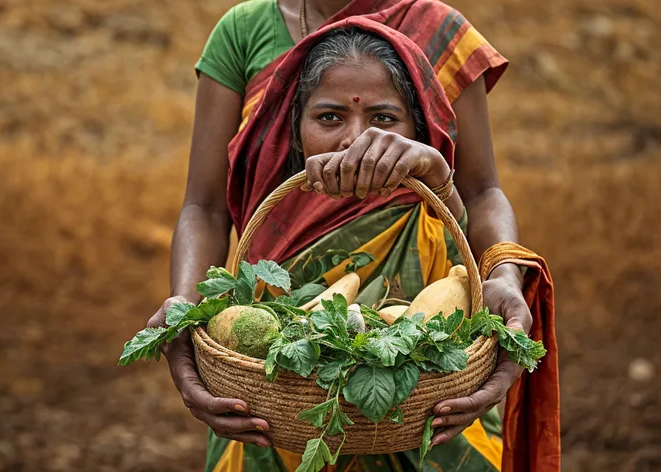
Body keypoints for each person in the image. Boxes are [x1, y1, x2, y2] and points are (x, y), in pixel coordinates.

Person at [147, 2, 561, 471]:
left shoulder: (439, 31)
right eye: (328, 118)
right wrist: (186, 304)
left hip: (428, 367)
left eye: (383, 119)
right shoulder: (243, 33)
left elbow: (482, 190)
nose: (356, 141)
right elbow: (204, 206)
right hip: (274, 368)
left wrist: (504, 276)